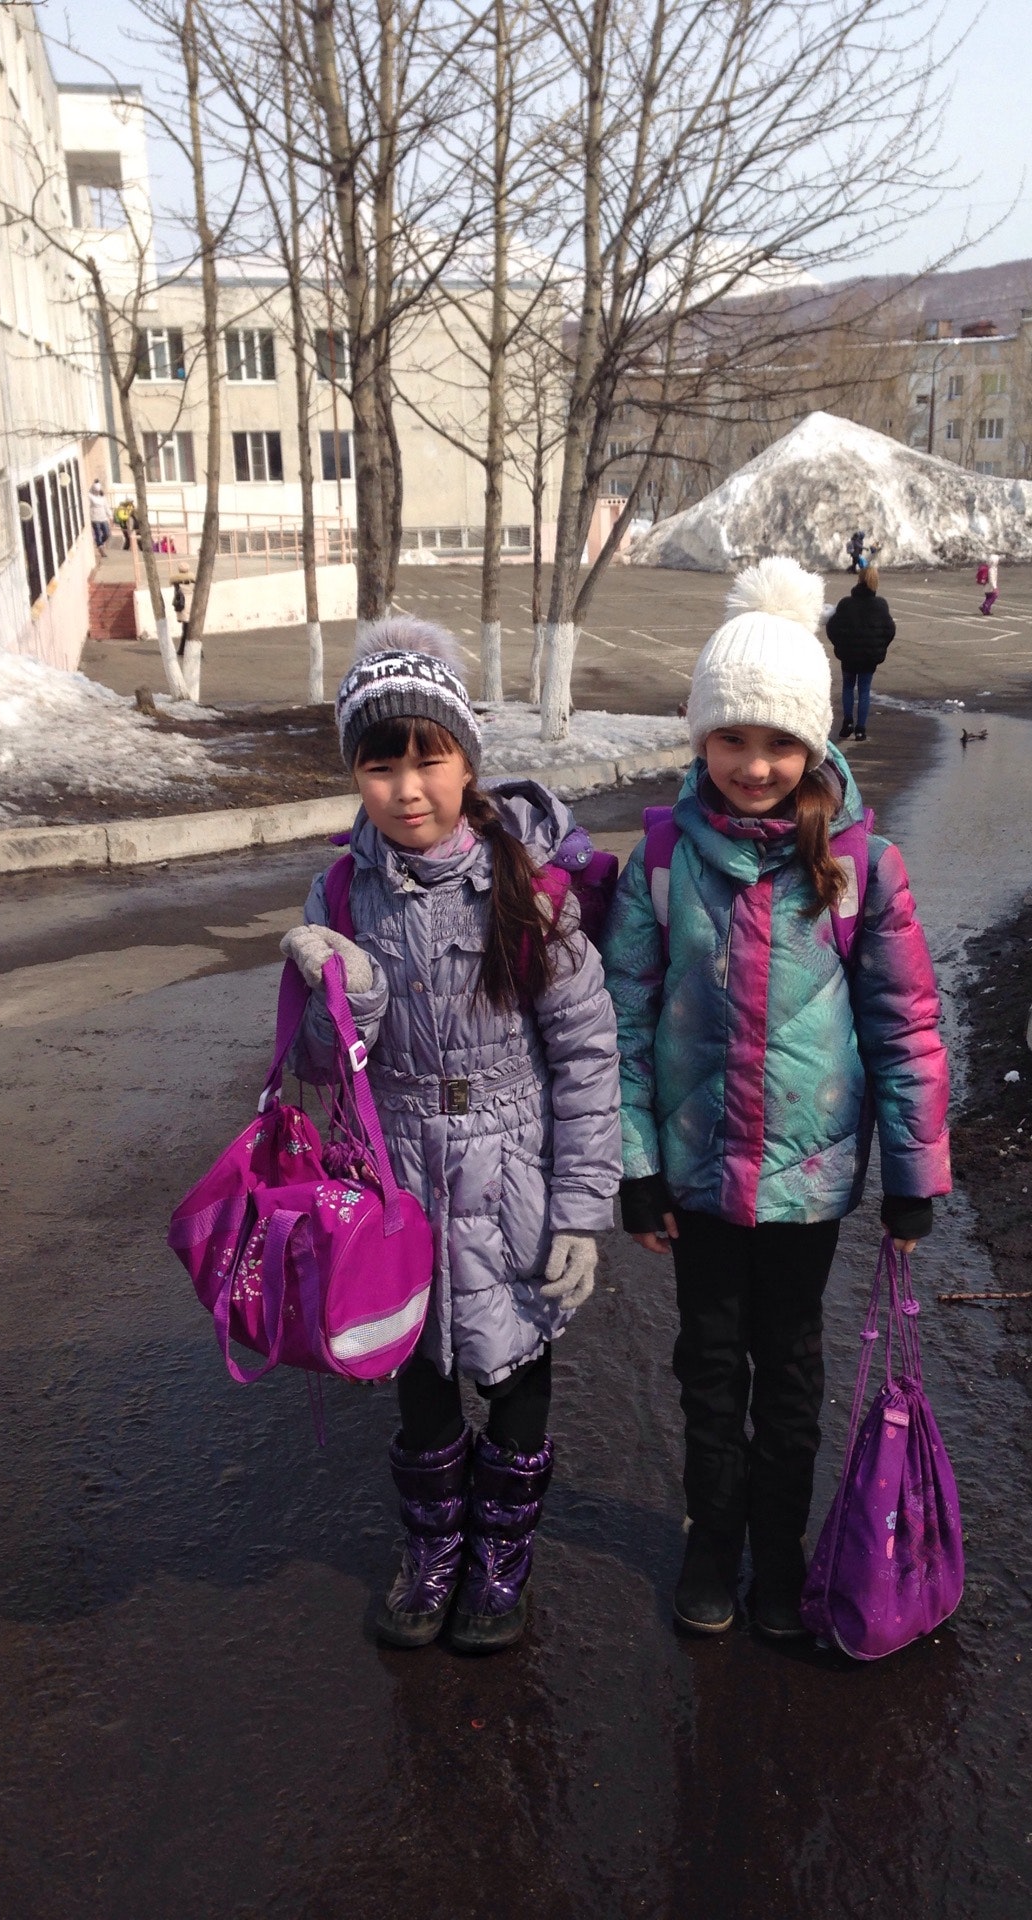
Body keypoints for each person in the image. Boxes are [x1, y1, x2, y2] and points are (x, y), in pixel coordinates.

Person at [600, 556, 951, 1643]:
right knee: (710, 1367)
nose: (755, 765)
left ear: (814, 743)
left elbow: (904, 1027)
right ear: (700, 737)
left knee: (790, 1372)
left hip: (807, 1184)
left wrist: (914, 1175)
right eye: (732, 738)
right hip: (699, 1178)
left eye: (779, 742)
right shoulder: (663, 861)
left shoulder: (861, 869)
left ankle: (781, 1550)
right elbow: (622, 1024)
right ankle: (713, 1542)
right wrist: (636, 1164)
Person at [281, 623, 622, 1654]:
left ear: (468, 760)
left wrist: (582, 1211)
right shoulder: (340, 893)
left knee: (515, 1372)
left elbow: (586, 1053)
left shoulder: (525, 885)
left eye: (427, 759)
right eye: (378, 765)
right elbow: (315, 1065)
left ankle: (501, 1558)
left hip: (512, 1176)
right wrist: (347, 1001)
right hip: (397, 1185)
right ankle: (432, 1551)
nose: (406, 789)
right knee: (421, 1380)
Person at [826, 563, 896, 741]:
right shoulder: (880, 605)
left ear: (859, 580)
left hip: (849, 655)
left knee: (848, 687)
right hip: (869, 656)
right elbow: (889, 629)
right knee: (864, 690)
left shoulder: (845, 604)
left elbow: (832, 627)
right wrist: (879, 647)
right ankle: (861, 729)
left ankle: (847, 722)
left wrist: (840, 645)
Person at [88, 479, 112, 551]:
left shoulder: (103, 497)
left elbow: (106, 506)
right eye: (96, 490)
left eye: (98, 491)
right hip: (95, 518)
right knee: (98, 533)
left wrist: (110, 515)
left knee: (107, 533)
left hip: (103, 518)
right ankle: (100, 546)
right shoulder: (90, 496)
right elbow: (88, 506)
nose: (97, 492)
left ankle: (100, 542)